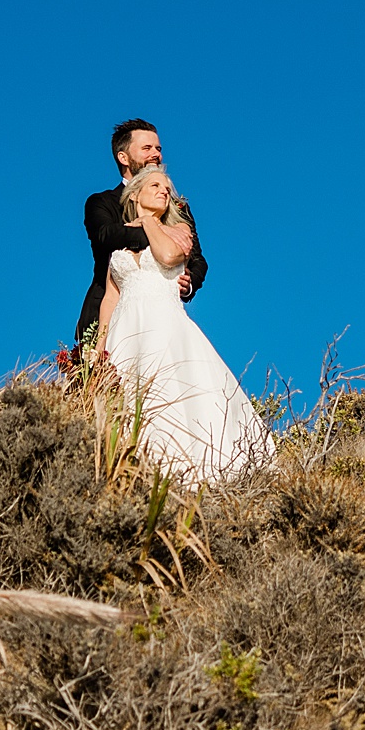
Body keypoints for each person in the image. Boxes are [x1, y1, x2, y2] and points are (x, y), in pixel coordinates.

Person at [98, 165, 269, 480]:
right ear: (134, 194)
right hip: (126, 327)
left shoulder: (178, 230)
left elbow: (166, 256)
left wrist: (150, 221)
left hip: (164, 323)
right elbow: (110, 296)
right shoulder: (119, 240)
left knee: (171, 390)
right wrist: (99, 348)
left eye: (167, 188)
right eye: (155, 185)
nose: (164, 191)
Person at [75, 119, 205, 348]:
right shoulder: (102, 202)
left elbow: (196, 257)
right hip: (104, 315)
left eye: (158, 149)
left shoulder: (177, 207)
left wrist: (190, 281)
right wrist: (158, 230)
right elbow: (106, 236)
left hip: (160, 318)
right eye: (147, 148)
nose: (156, 154)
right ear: (123, 157)